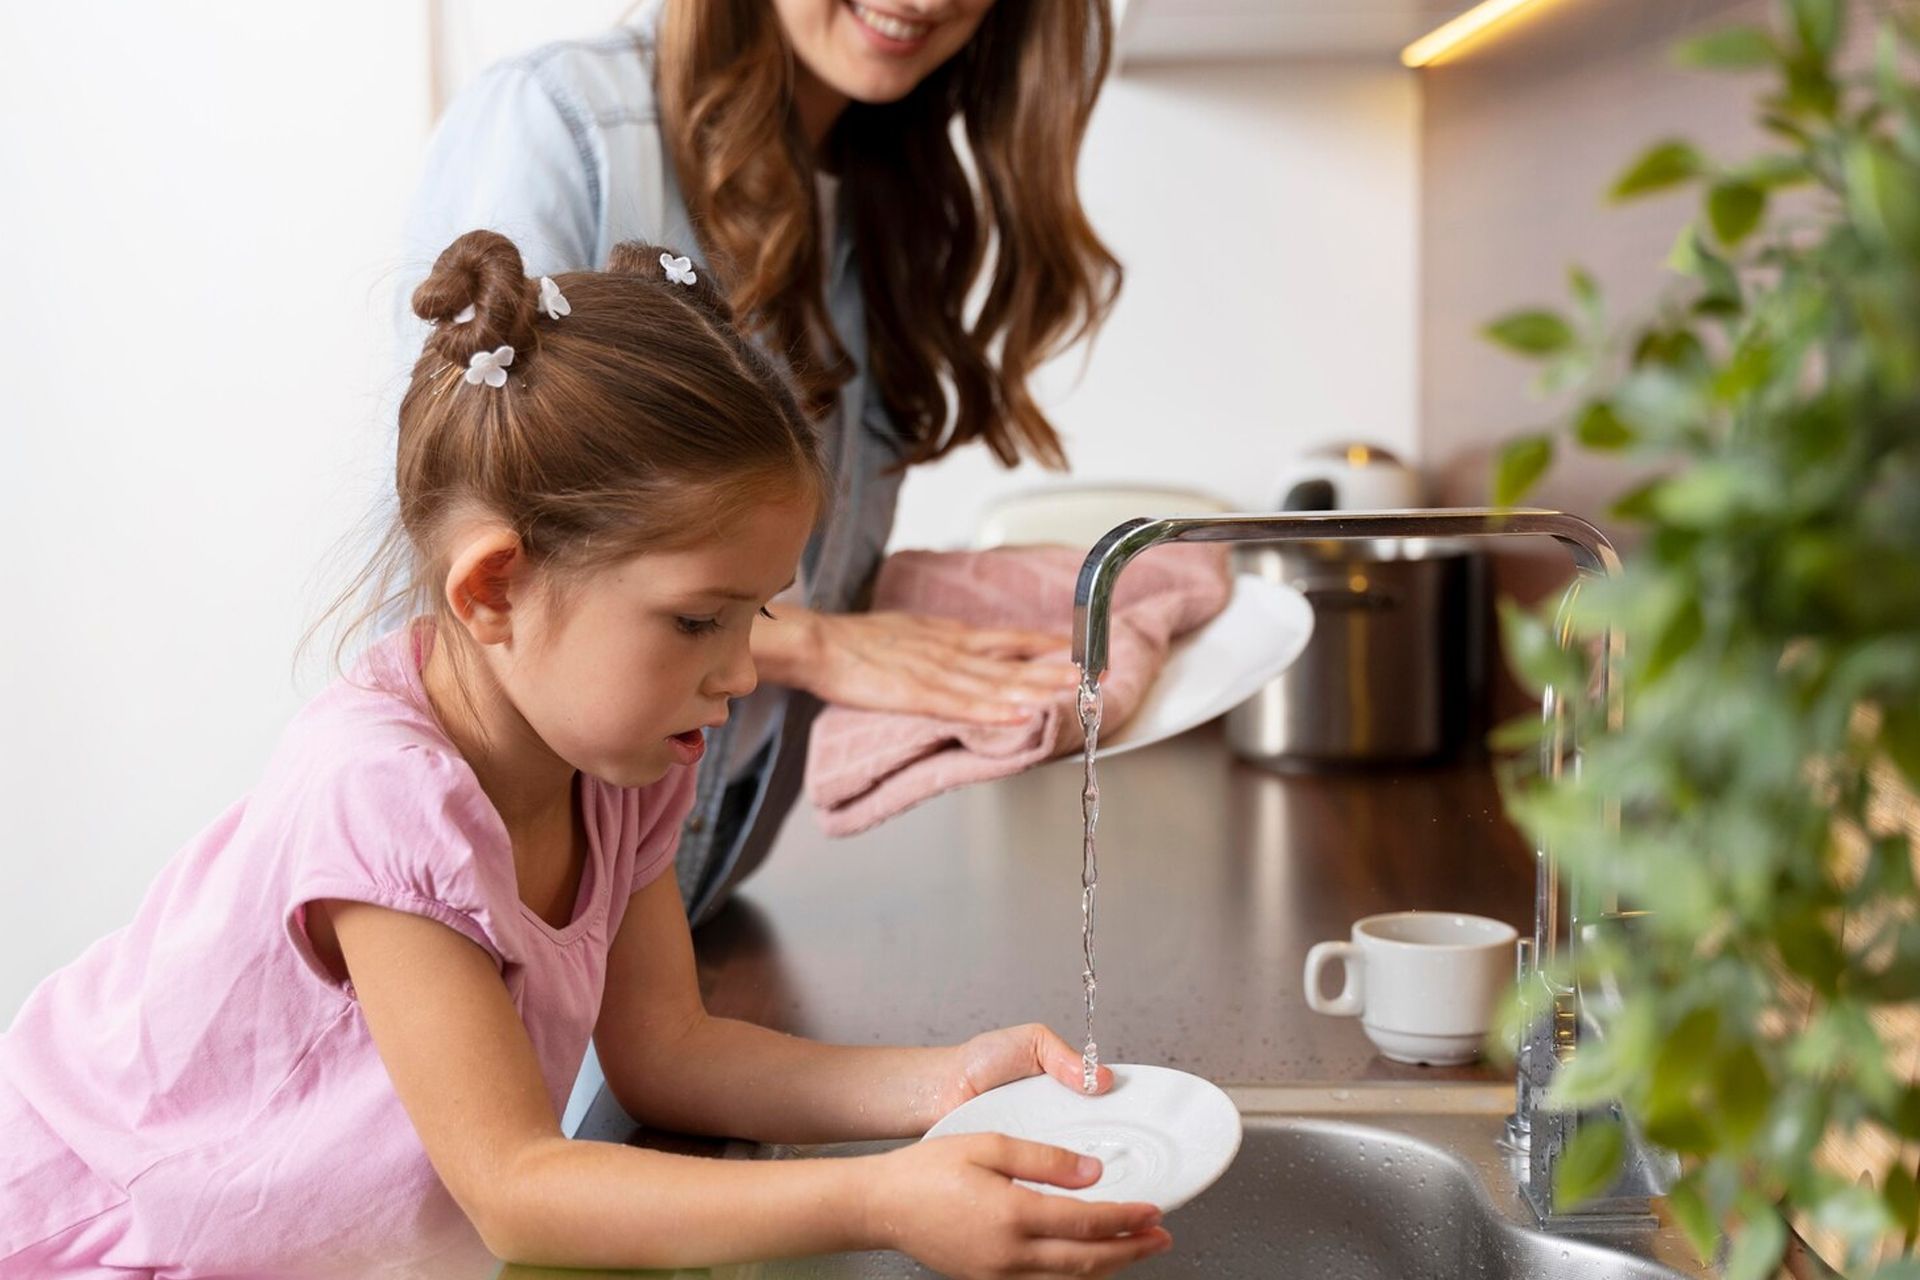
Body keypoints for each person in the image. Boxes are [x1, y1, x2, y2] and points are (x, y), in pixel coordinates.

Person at [0, 232, 1171, 1279]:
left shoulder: (623, 761)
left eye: (757, 612)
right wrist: (878, 1197)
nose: (743, 669)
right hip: (107, 1238)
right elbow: (517, 1188)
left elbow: (667, 1048)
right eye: (697, 617)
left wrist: (946, 1083)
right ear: (496, 587)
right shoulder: (384, 796)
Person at [404, 0, 1124, 926]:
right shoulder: (563, 126)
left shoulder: (883, 185)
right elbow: (460, 543)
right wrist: (817, 645)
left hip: (684, 899)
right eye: (709, 622)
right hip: (506, 905)